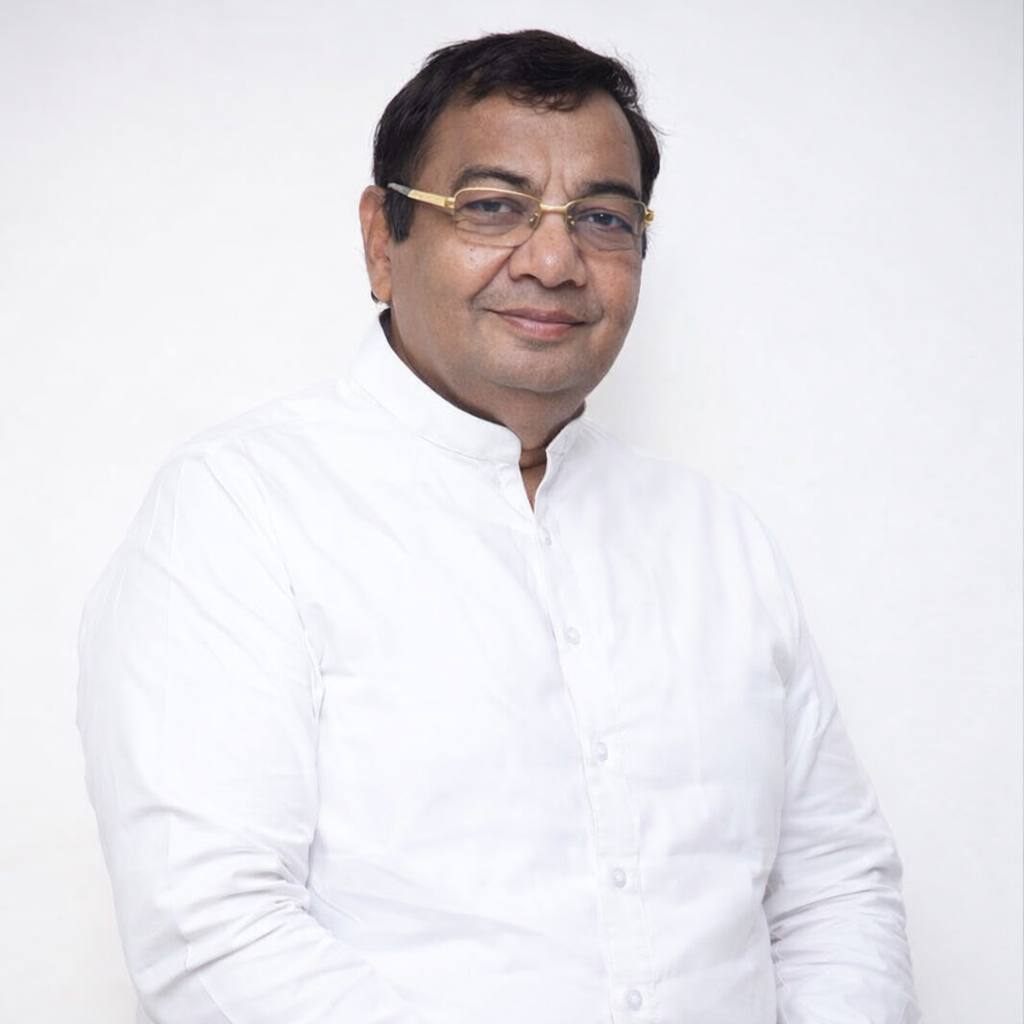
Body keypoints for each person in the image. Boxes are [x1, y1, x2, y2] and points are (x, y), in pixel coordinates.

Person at [77, 28, 921, 1024]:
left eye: (602, 218)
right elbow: (212, 930)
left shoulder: (718, 540)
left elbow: (834, 891)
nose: (556, 260)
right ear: (382, 240)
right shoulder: (241, 511)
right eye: (491, 206)